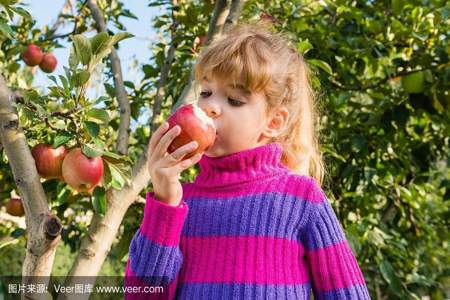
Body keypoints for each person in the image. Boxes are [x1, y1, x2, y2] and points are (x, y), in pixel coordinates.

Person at [124, 20, 371, 299]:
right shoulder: (181, 204)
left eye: (234, 100)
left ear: (274, 121)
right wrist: (165, 204)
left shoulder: (301, 198)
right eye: (206, 93)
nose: (210, 107)